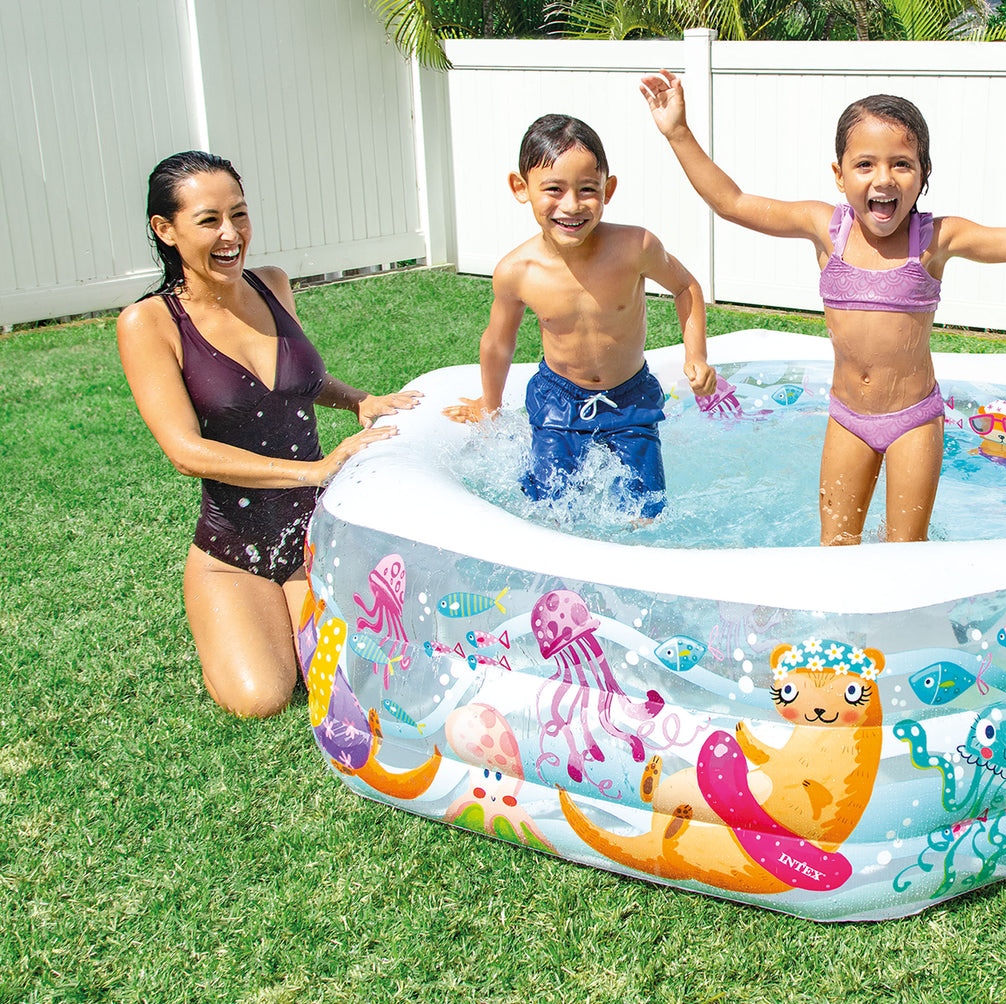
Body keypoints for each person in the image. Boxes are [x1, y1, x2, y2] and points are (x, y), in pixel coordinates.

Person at [640, 70, 1006, 545]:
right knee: (836, 546)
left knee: (906, 550)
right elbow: (731, 202)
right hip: (847, 419)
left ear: (923, 175)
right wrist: (678, 132)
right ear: (839, 175)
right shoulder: (827, 230)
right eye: (865, 164)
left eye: (902, 164)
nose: (884, 178)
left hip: (914, 421)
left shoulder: (935, 239)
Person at [116, 151, 420, 718]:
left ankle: (290, 612)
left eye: (239, 214)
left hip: (316, 538)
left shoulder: (273, 285)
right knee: (261, 698)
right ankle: (240, 617)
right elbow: (185, 452)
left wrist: (359, 400)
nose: (231, 235)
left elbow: (298, 381)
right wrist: (315, 471)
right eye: (209, 220)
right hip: (232, 554)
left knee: (363, 683)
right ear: (165, 229)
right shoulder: (150, 323)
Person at [444, 114, 715, 521]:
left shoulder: (635, 247)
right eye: (554, 189)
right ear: (521, 188)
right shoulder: (517, 271)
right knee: (549, 510)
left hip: (630, 397)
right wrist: (491, 406)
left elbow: (685, 286)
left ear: (609, 189)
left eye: (588, 190)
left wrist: (697, 356)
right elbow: (498, 343)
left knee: (645, 515)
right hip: (558, 399)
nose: (571, 205)